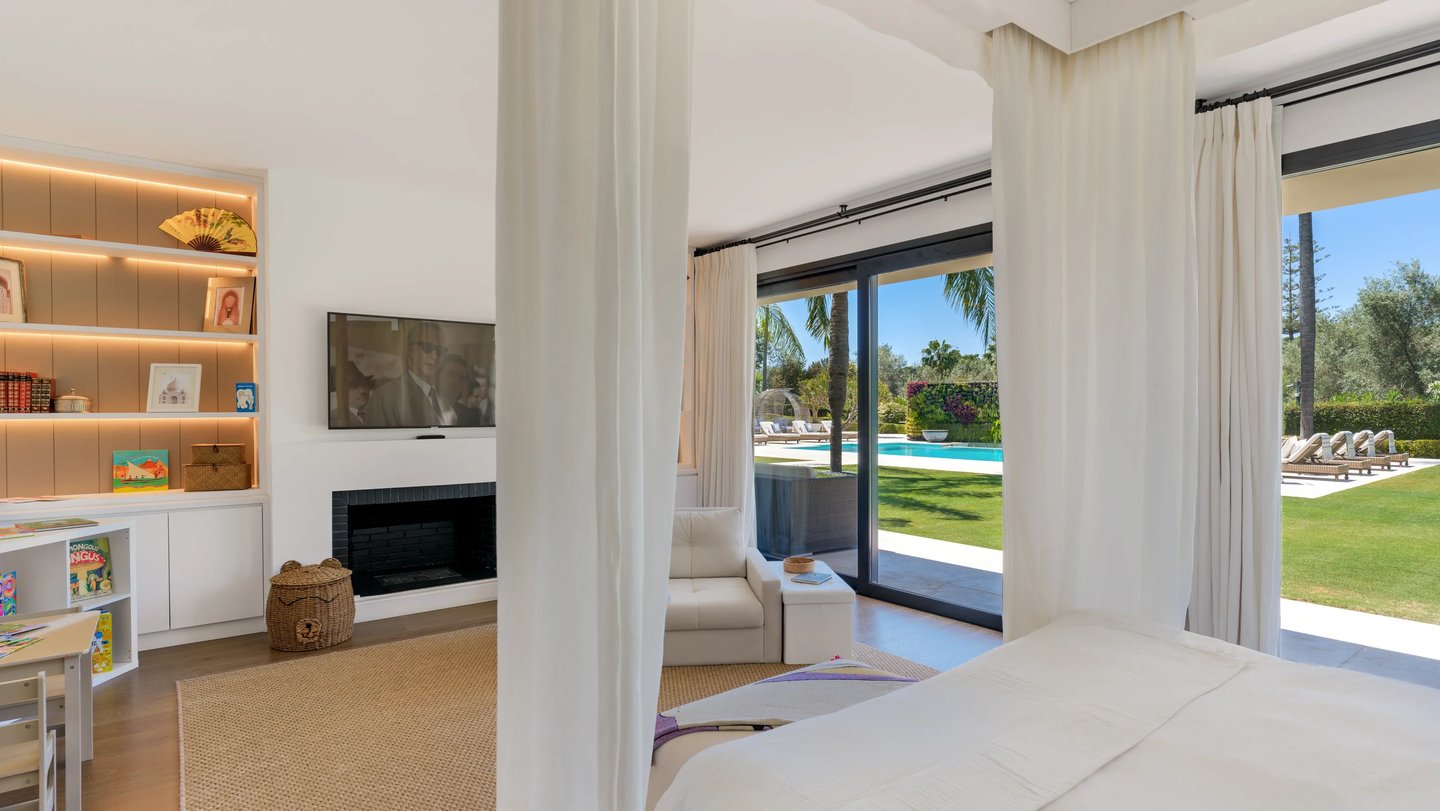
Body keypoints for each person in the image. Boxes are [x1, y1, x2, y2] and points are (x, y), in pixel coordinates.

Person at [369, 321, 445, 426]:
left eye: (440, 350)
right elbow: (375, 440)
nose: (435, 356)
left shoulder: (445, 395)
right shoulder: (386, 395)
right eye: (427, 347)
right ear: (410, 351)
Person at [436, 353, 480, 426]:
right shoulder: (424, 409)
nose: (456, 381)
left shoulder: (470, 416)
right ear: (437, 376)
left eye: (461, 377)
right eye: (451, 374)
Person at [330, 362, 374, 426]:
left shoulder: (374, 414)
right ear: (340, 392)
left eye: (364, 384)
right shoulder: (335, 418)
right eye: (354, 386)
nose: (363, 390)